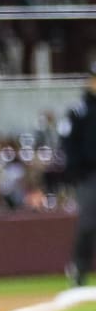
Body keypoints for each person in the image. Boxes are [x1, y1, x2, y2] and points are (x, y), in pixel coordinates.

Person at [58, 64, 96, 286]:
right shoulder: (78, 110)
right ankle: (79, 269)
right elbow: (68, 144)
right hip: (89, 174)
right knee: (89, 223)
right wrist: (76, 172)